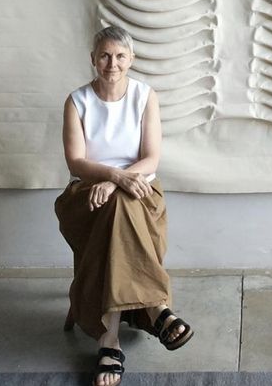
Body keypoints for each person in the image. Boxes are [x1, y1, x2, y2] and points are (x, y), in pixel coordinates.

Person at [55, 23, 193, 385]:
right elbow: (76, 163)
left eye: (119, 56)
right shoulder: (77, 101)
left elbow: (151, 158)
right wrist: (114, 178)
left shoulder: (145, 96)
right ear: (93, 60)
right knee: (117, 207)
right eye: (104, 55)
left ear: (131, 59)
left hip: (140, 193)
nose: (111, 63)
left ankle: (109, 339)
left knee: (121, 208)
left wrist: (123, 182)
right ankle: (156, 307)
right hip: (86, 196)